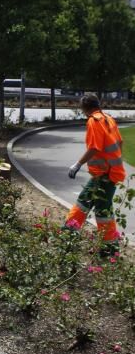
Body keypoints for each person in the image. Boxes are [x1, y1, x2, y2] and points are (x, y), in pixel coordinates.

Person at [63, 93, 126, 255]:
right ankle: (108, 247)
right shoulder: (108, 119)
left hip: (104, 175)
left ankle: (68, 235)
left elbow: (94, 147)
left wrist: (78, 164)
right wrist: (114, 163)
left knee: (92, 204)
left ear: (85, 108)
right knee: (99, 207)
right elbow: (120, 142)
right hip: (109, 173)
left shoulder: (94, 121)